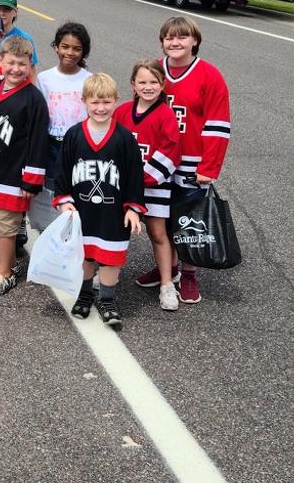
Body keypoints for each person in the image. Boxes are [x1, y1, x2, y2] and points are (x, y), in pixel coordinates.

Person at [135, 16, 230, 304]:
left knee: (188, 221)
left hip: (191, 162)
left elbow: (218, 126)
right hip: (157, 160)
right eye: (169, 38)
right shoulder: (154, 70)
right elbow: (140, 112)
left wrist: (208, 167)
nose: (175, 43)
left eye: (182, 37)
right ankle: (169, 269)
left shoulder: (209, 75)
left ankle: (188, 274)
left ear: (194, 41)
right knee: (159, 220)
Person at [53, 73, 145, 330]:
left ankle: (107, 299)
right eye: (95, 102)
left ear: (116, 101)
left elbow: (134, 176)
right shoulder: (73, 135)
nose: (101, 108)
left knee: (111, 257)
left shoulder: (125, 138)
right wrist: (63, 200)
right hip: (83, 212)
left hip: (113, 213)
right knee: (85, 256)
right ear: (84, 101)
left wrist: (133, 208)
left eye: (106, 102)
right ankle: (85, 293)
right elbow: (62, 170)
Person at [0, 36, 48, 296]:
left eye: (22, 64)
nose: (16, 69)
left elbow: (38, 139)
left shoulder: (34, 99)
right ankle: (10, 264)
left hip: (13, 174)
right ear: (0, 61)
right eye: (11, 62)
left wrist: (32, 178)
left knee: (4, 227)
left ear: (30, 65)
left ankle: (5, 272)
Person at [114, 60, 181, 311]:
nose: (148, 86)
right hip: (124, 185)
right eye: (142, 81)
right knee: (118, 230)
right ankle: (112, 272)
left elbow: (171, 150)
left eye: (154, 82)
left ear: (163, 85)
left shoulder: (165, 115)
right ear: (133, 84)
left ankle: (166, 284)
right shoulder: (122, 112)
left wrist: (142, 179)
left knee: (157, 233)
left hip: (153, 185)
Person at [36, 22, 92, 187]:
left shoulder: (89, 79)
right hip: (51, 146)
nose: (70, 53)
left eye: (77, 49)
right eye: (65, 47)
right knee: (53, 189)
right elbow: (40, 116)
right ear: (56, 47)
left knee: (77, 187)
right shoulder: (44, 78)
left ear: (84, 52)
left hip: (80, 146)